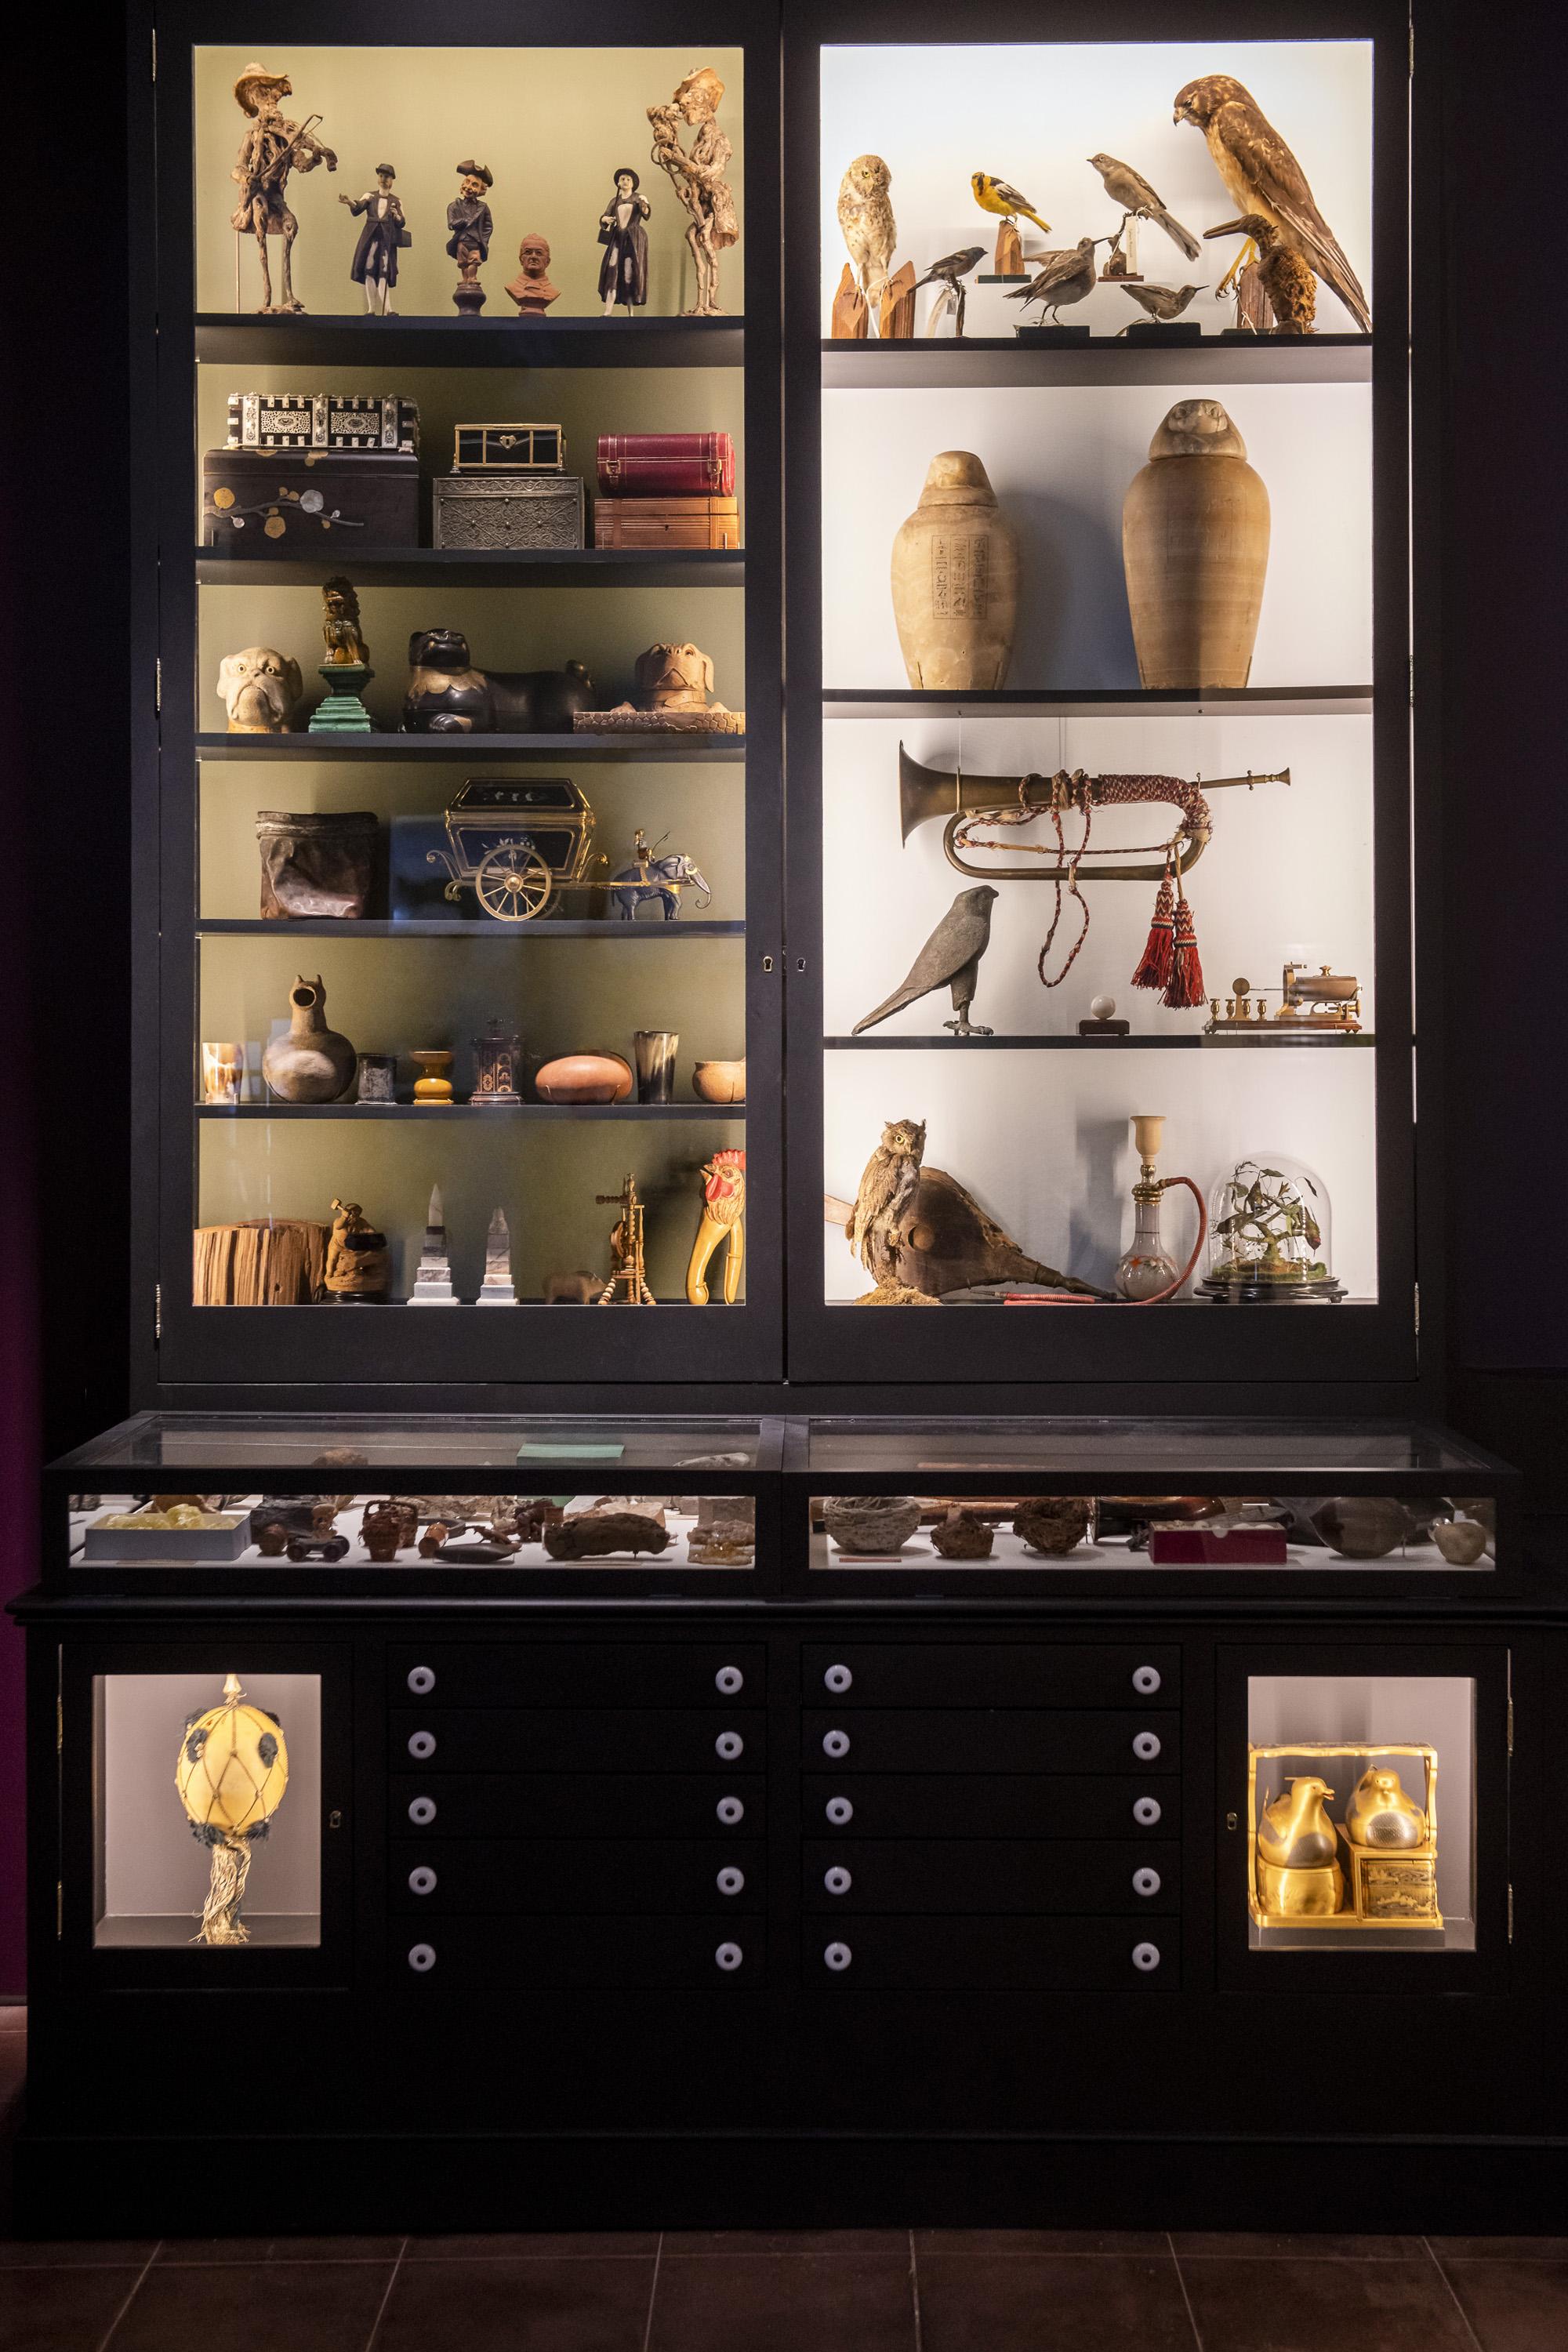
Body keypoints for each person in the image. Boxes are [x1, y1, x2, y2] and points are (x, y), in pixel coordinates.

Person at [229, 62, 336, 314]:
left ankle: (289, 295)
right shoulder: (251, 136)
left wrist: (317, 157)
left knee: (291, 226)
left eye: (271, 95)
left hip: (276, 196)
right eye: (263, 95)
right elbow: (237, 168)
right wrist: (246, 178)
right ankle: (266, 298)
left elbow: (302, 163)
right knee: (261, 227)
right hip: (257, 194)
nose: (271, 102)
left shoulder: (285, 137)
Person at [340, 164, 409, 315]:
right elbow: (358, 207)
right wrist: (349, 202)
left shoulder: (396, 201)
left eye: (387, 177)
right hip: (371, 238)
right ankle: (371, 309)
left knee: (384, 271)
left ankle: (388, 309)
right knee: (369, 270)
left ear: (392, 180)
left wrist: (396, 215)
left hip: (386, 239)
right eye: (381, 176)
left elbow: (402, 221)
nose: (384, 179)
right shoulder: (370, 196)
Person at [597, 169, 651, 313]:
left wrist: (644, 204)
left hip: (633, 238)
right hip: (617, 238)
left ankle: (631, 312)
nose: (625, 182)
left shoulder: (638, 198)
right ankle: (607, 311)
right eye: (623, 179)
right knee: (612, 269)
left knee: (630, 271)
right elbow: (605, 216)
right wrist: (606, 219)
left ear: (633, 182)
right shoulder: (615, 200)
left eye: (628, 179)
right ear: (618, 182)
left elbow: (646, 214)